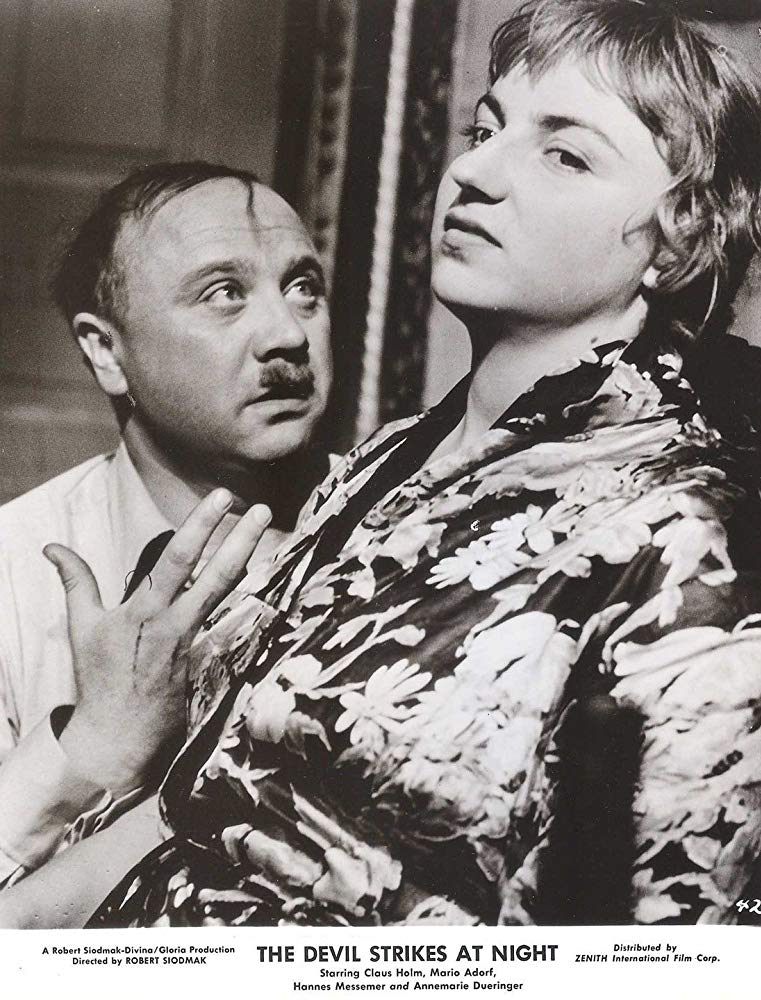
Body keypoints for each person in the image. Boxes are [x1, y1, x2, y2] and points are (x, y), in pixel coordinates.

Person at [40, 0, 761, 927]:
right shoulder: (379, 465)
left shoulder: (691, 543)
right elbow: (198, 805)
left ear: (682, 236)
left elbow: (650, 959)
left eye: (563, 155)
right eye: (485, 131)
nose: (474, 173)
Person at [0, 162, 333, 889]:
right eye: (224, 293)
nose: (288, 333)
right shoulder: (10, 572)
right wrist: (90, 748)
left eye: (303, 287)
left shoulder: (401, 531)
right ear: (106, 352)